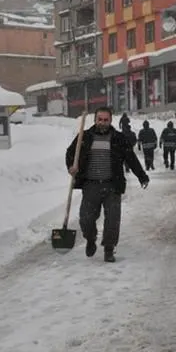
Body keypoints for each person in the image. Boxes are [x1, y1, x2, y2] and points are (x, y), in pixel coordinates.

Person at [66, 106, 149, 262]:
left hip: (112, 185)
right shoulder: (85, 137)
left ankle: (109, 249)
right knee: (86, 219)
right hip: (90, 185)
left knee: (112, 220)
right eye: (100, 119)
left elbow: (130, 158)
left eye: (106, 120)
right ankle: (90, 239)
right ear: (95, 120)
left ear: (111, 121)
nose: (102, 123)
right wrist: (71, 166)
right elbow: (70, 153)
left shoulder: (118, 138)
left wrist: (142, 176)